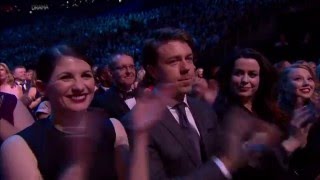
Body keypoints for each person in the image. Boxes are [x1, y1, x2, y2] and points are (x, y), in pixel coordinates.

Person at [124, 27, 246, 180]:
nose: (186, 68)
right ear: (153, 71)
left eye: (189, 58)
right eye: (173, 61)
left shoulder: (204, 109)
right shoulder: (135, 123)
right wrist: (223, 165)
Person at [1, 45, 129, 180]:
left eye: (86, 75)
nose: (79, 86)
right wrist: (79, 164)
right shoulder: (18, 147)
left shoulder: (114, 128)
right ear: (42, 87)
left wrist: (141, 137)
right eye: (66, 77)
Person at [214, 48, 313, 179]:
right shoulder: (221, 116)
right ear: (228, 76)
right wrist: (290, 144)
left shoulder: (271, 111)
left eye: (252, 74)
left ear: (261, 78)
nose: (245, 80)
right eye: (238, 73)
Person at [278, 64, 320, 179]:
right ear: (284, 85)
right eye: (298, 79)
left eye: (310, 79)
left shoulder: (317, 115)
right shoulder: (274, 118)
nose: (307, 83)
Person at [91, 52, 137, 120]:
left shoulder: (144, 95)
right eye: (122, 68)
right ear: (111, 72)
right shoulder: (100, 102)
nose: (129, 71)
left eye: (131, 67)